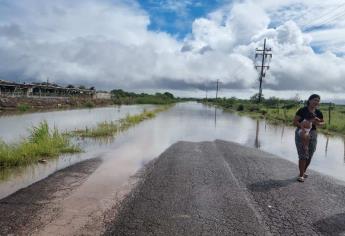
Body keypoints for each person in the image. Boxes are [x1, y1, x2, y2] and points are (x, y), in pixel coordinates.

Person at [293, 94, 324, 182]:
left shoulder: (318, 112)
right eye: (314, 100)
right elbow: (295, 122)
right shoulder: (302, 110)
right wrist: (303, 127)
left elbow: (322, 123)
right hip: (301, 133)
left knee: (310, 154)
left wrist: (317, 123)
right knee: (303, 154)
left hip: (313, 133)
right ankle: (301, 175)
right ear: (309, 100)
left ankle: (304, 170)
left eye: (318, 100)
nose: (316, 102)